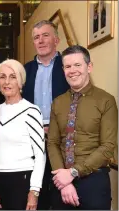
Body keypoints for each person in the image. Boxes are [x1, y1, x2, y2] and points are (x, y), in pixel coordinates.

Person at [48, 45, 117, 210]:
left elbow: (107, 147)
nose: (72, 70)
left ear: (89, 67)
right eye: (67, 66)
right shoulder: (58, 102)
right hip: (62, 183)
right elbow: (52, 142)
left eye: (77, 65)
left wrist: (72, 173)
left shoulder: (106, 100)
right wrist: (63, 181)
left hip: (94, 183)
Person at [22, 20, 70, 209]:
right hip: (32, 137)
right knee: (36, 187)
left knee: (60, 188)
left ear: (56, 39)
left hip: (62, 137)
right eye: (36, 37)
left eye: (45, 35)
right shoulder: (25, 70)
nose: (40, 41)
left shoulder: (68, 67)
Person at [0, 59, 46, 210]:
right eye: (2, 76)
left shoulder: (31, 111)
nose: (7, 81)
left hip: (22, 181)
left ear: (20, 81)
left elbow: (40, 154)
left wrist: (34, 191)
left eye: (12, 77)